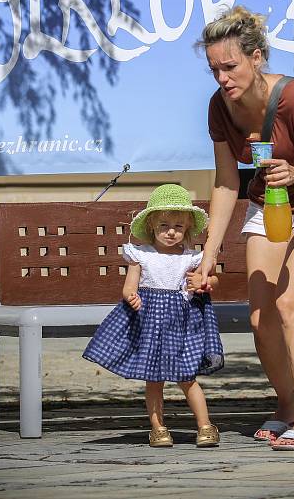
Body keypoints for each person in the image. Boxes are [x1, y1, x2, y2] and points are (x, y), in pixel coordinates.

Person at [194, 6, 294, 450]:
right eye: (215, 70)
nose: (223, 78)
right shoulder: (218, 108)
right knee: (260, 315)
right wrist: (209, 254)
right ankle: (286, 406)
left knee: (288, 304)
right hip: (269, 205)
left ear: (257, 57)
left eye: (230, 66)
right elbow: (228, 182)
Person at [82, 183, 223, 448]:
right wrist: (131, 296)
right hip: (150, 323)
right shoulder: (141, 255)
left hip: (182, 325)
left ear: (188, 228)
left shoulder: (192, 258)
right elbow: (129, 286)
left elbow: (211, 280)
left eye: (178, 227)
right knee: (154, 378)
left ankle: (205, 426)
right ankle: (158, 428)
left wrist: (202, 284)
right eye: (164, 226)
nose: (171, 232)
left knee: (187, 376)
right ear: (151, 227)